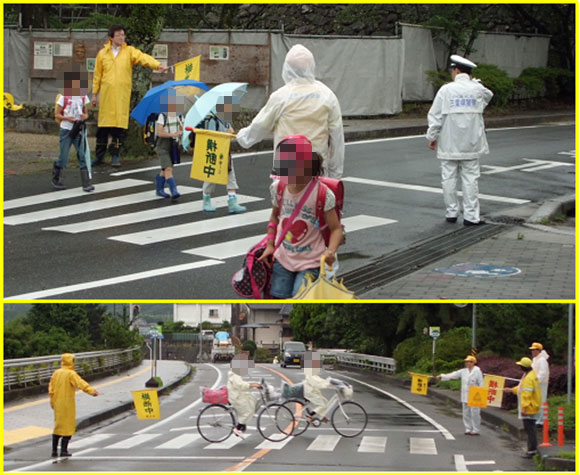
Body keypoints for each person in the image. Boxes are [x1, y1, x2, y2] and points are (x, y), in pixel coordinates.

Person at [236, 44, 345, 179]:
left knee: (285, 199)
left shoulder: (281, 96)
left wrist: (241, 137)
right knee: (314, 199)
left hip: (286, 169)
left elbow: (259, 126)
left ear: (287, 69)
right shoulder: (327, 95)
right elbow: (337, 138)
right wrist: (335, 175)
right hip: (317, 168)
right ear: (312, 67)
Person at [258, 135, 343, 299]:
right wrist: (270, 245)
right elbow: (274, 217)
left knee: (301, 298)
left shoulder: (323, 194)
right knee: (277, 297)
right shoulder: (279, 188)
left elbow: (336, 229)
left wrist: (331, 251)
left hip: (312, 261)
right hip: (283, 258)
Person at [426, 54, 494, 226]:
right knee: (470, 179)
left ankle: (451, 213)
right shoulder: (478, 89)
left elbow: (435, 116)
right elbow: (489, 95)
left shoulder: (446, 90)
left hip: (449, 143)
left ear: (456, 70)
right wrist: (475, 82)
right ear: (469, 73)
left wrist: (432, 137)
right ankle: (471, 217)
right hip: (471, 143)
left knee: (448, 178)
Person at [91, 24, 169, 167]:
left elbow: (143, 58)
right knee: (103, 127)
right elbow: (97, 75)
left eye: (123, 34)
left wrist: (157, 65)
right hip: (107, 96)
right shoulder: (102, 54)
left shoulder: (129, 52)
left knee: (118, 128)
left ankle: (115, 155)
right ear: (111, 38)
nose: (122, 37)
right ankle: (99, 156)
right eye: (118, 35)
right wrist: (94, 94)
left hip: (121, 96)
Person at [199, 96, 247, 214]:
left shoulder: (226, 119)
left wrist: (230, 132)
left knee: (231, 176)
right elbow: (211, 137)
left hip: (226, 151)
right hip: (215, 152)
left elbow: (230, 132)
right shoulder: (212, 120)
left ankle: (232, 202)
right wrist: (226, 133)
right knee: (211, 177)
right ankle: (206, 200)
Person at [48, 353, 99, 457]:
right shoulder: (71, 374)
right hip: (67, 404)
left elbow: (51, 389)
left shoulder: (56, 373)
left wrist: (52, 402)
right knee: (68, 426)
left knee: (58, 426)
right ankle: (63, 450)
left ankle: (54, 451)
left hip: (57, 403)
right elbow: (80, 383)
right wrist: (92, 391)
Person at [53, 69, 94, 192]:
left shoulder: (83, 97)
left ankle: (86, 183)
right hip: (66, 129)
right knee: (64, 156)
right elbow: (57, 114)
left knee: (82, 154)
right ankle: (56, 178)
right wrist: (67, 118)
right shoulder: (63, 97)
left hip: (78, 129)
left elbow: (86, 113)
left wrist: (84, 117)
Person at [435, 355, 483, 435]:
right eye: (466, 362)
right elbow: (453, 375)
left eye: (470, 362)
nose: (467, 363)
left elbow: (481, 383)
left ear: (473, 363)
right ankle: (468, 428)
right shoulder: (463, 371)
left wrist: (481, 394)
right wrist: (442, 376)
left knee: (475, 412)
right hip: (465, 394)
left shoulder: (477, 371)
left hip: (475, 395)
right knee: (466, 412)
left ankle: (476, 429)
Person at [509, 357, 541, 458]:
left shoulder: (528, 378)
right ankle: (532, 449)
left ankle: (531, 451)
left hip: (529, 408)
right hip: (533, 405)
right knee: (531, 429)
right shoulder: (531, 375)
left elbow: (526, 394)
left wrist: (524, 408)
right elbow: (521, 388)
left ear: (523, 367)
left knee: (530, 430)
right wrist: (511, 390)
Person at [155, 93, 183, 200]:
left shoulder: (179, 116)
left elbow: (183, 128)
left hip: (173, 146)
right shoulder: (163, 116)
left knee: (165, 169)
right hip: (163, 145)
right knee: (168, 168)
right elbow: (159, 132)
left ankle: (159, 189)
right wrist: (173, 134)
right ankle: (174, 190)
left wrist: (181, 132)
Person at [227, 354, 262, 438]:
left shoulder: (235, 372)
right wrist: (252, 385)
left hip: (237, 395)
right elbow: (240, 385)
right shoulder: (235, 374)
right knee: (248, 411)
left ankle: (242, 424)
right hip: (236, 397)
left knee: (252, 398)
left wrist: (252, 385)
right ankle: (238, 428)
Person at [529, 342, 550, 427]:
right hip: (535, 383)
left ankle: (541, 421)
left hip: (541, 384)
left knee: (541, 401)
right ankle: (537, 419)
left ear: (538, 350)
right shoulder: (535, 359)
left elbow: (543, 373)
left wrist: (536, 381)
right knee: (536, 401)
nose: (532, 351)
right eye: (532, 350)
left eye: (534, 350)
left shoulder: (542, 360)